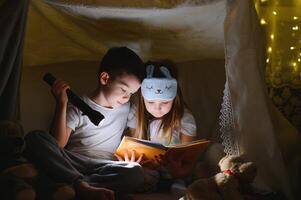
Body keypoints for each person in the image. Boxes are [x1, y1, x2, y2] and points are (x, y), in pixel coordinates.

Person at [24, 47, 146, 200]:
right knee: (35, 137)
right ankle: (79, 185)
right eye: (123, 90)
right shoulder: (78, 106)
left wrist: (133, 159)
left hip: (104, 166)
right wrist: (61, 104)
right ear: (105, 78)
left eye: (131, 93)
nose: (127, 97)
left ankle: (76, 186)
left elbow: (136, 142)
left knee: (135, 172)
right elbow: (58, 144)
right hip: (72, 162)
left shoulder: (128, 109)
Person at [123, 60, 197, 193]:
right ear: (142, 98)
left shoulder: (185, 119)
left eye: (165, 102)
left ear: (175, 98)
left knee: (179, 184)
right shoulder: (136, 113)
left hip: (174, 174)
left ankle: (174, 184)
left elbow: (189, 162)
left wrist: (178, 171)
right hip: (147, 171)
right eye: (150, 102)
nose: (157, 108)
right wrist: (135, 163)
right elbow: (133, 148)